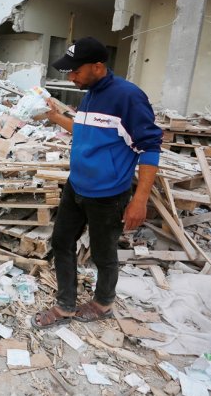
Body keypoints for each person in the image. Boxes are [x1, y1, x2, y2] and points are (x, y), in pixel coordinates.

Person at [34, 37, 162, 328]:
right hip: (76, 186)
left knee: (104, 253)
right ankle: (66, 305)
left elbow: (150, 147)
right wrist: (56, 118)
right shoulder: (90, 93)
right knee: (62, 242)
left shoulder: (127, 97)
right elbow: (85, 131)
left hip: (108, 194)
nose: (71, 77)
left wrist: (139, 200)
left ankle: (103, 303)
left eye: (75, 71)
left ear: (97, 66)